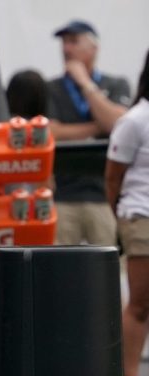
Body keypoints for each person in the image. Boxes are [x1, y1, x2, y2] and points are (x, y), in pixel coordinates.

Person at [46, 20, 130, 246]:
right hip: (63, 195)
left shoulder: (116, 84)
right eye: (64, 43)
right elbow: (51, 132)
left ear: (93, 48)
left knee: (108, 260)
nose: (66, 49)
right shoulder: (52, 88)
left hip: (103, 195)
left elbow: (119, 124)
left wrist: (85, 83)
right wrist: (99, 125)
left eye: (73, 42)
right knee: (60, 261)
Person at [105, 48, 149, 376]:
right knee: (140, 302)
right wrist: (121, 219)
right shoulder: (135, 120)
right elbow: (113, 177)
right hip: (141, 217)